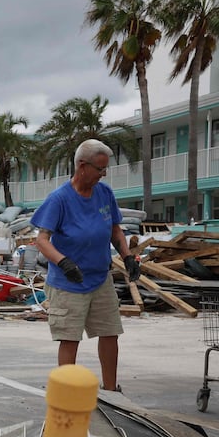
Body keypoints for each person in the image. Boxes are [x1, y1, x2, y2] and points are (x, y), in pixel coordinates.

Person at [31, 139, 140, 392]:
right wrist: (63, 262)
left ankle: (111, 390)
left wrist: (127, 257)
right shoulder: (59, 199)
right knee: (70, 339)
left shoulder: (105, 193)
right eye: (100, 169)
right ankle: (66, 393)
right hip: (69, 282)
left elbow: (115, 229)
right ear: (82, 166)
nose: (103, 174)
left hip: (100, 278)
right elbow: (41, 239)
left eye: (105, 169)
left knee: (110, 333)